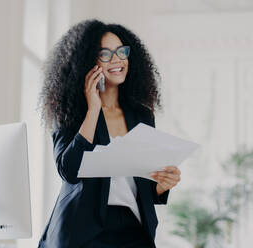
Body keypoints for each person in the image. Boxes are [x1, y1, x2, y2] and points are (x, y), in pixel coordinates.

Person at [37, 19, 181, 248]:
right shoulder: (69, 112)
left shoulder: (141, 115)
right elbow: (69, 170)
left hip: (132, 228)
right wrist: (93, 109)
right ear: (88, 63)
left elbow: (139, 182)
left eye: (121, 52)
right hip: (83, 230)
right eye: (105, 54)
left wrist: (162, 185)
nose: (117, 60)